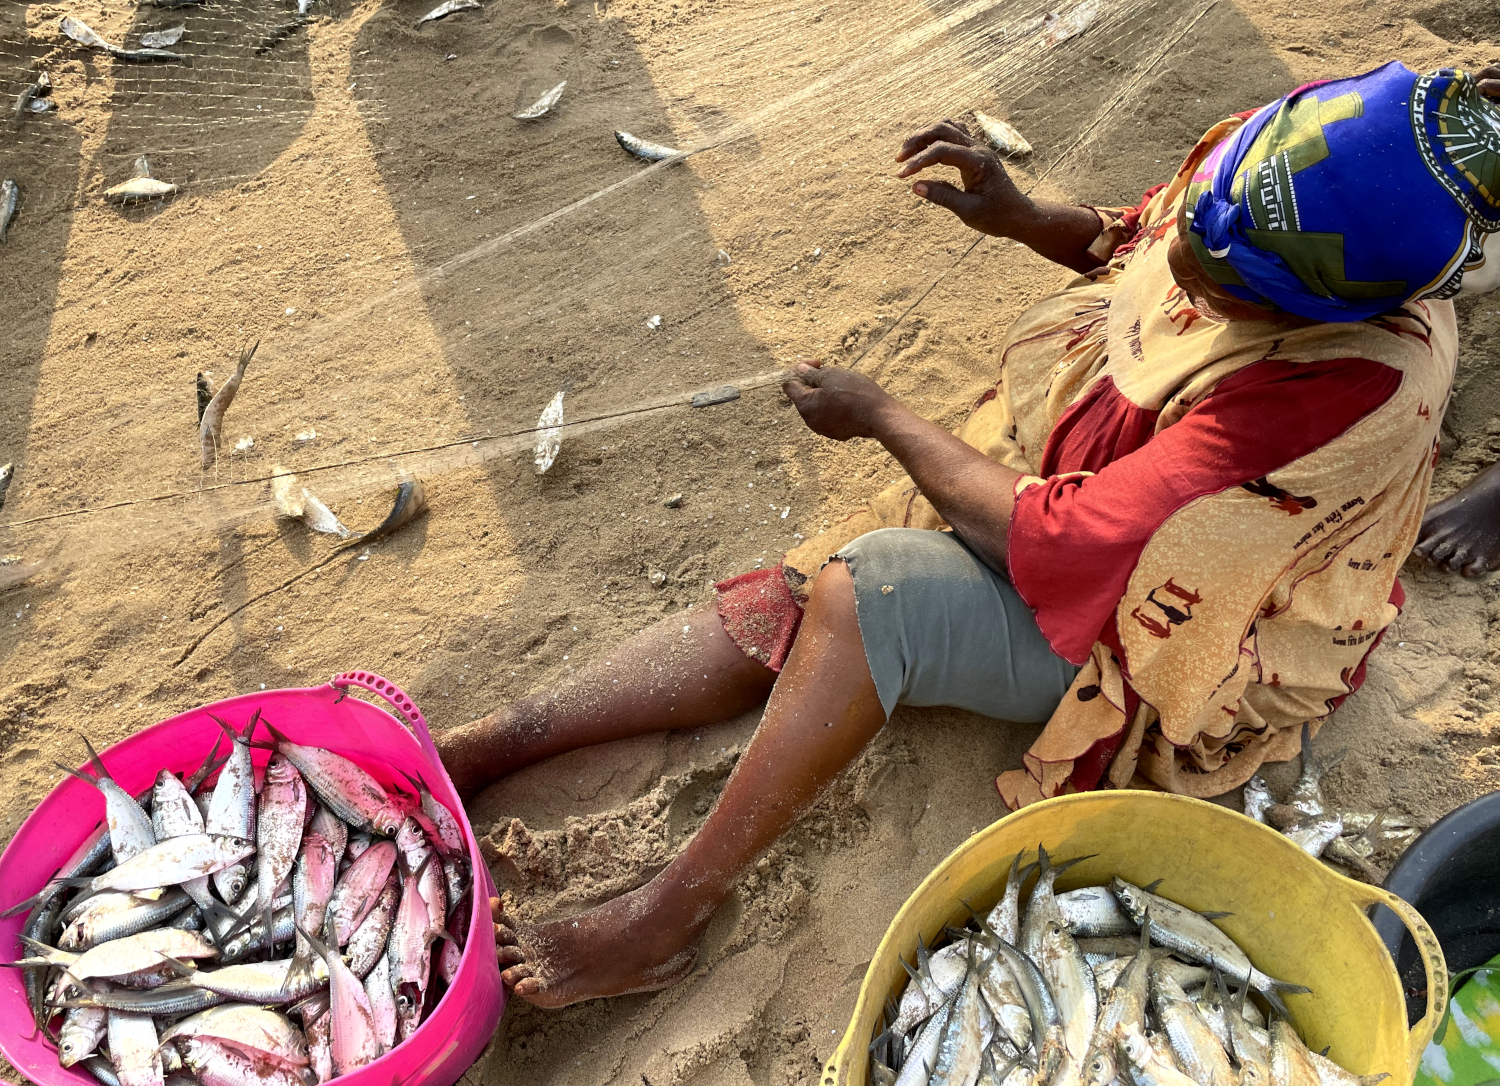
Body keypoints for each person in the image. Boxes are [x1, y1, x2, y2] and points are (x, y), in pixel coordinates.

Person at [435, 62, 1500, 1008]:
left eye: (1224, 284)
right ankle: (497, 746)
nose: (1184, 271)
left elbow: (1073, 542)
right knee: (788, 596)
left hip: (1189, 612)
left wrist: (889, 418)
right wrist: (1022, 213)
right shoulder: (1274, 175)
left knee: (870, 592)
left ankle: (665, 918)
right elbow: (1137, 238)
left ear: (1319, 309)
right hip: (1107, 494)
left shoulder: (1354, 375)